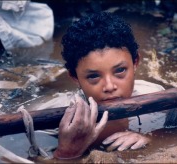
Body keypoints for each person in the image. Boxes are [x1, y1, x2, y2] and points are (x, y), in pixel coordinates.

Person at [49, 12, 165, 160]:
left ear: (135, 63)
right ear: (74, 77)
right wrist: (66, 153)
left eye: (120, 70)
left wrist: (151, 138)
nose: (109, 87)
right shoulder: (52, 121)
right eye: (93, 76)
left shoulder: (157, 99)